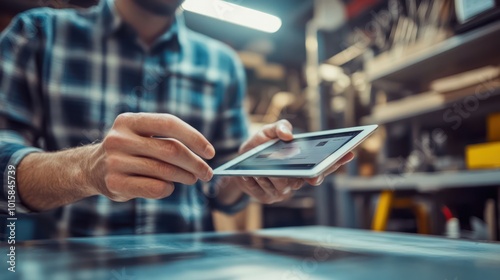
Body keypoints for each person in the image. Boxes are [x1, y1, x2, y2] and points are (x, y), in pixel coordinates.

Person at [0, 0, 354, 237]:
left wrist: (246, 172)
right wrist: (84, 170)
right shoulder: (37, 36)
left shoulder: (222, 64)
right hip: (65, 268)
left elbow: (219, 191)